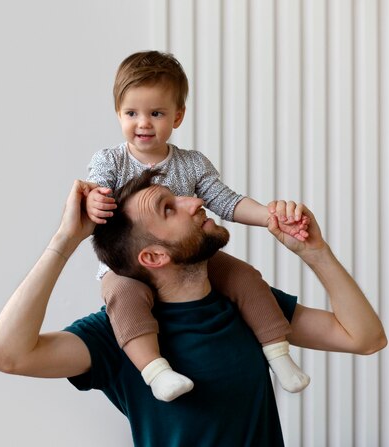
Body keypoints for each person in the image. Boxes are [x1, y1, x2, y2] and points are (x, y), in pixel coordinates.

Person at [0, 171, 387, 446]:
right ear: (154, 256)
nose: (194, 201)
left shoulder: (248, 305)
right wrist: (64, 240)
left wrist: (315, 253)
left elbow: (365, 338)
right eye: (169, 208)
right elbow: (6, 354)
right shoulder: (118, 335)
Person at [86, 50, 309, 401]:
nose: (143, 123)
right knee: (122, 295)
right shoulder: (109, 161)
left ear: (178, 116)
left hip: (190, 257)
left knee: (245, 276)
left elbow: (225, 200)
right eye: (132, 113)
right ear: (118, 114)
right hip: (130, 263)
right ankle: (156, 372)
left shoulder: (191, 163)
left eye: (156, 113)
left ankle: (278, 354)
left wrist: (270, 215)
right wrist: (94, 200)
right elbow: (93, 194)